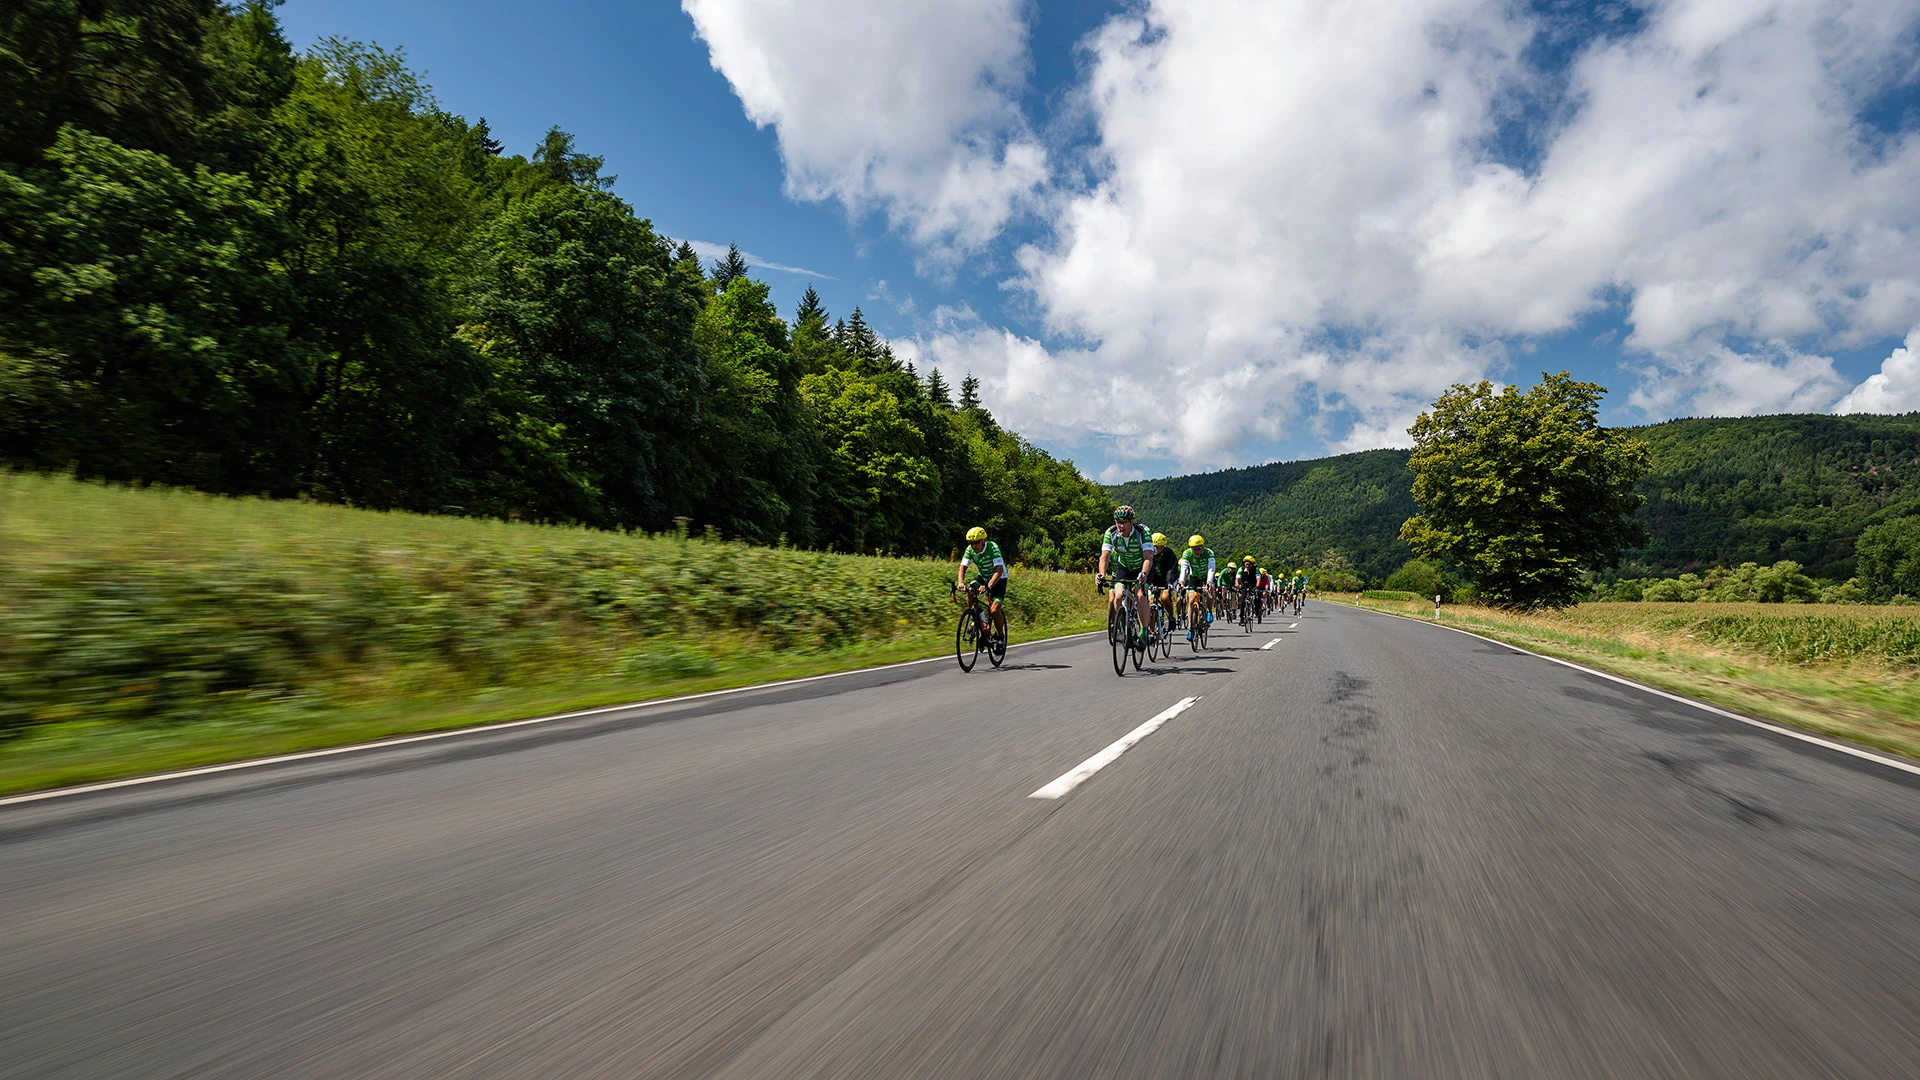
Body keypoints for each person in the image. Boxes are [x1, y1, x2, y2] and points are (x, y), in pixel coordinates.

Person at [1097, 506, 1155, 644]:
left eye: (1124, 522)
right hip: (1124, 566)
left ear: (1131, 522)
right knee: (1117, 596)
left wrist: (1144, 573)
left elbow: (1148, 557)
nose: (1120, 526)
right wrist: (1101, 574)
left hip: (1142, 567)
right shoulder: (1111, 533)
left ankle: (1144, 631)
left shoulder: (1142, 532)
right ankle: (1125, 629)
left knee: (1140, 595)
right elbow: (1104, 557)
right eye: (1118, 522)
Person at [956, 526, 1007, 642]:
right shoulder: (970, 549)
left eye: (976, 543)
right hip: (983, 576)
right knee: (970, 592)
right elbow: (962, 568)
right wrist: (960, 583)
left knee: (994, 610)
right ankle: (978, 617)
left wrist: (988, 586)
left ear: (983, 541)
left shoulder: (992, 547)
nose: (974, 546)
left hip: (999, 578)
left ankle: (1000, 636)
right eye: (971, 543)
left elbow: (999, 569)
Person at [1177, 535, 1216, 641]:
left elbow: (1211, 569)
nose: (1197, 551)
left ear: (1203, 547)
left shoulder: (1209, 553)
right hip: (1194, 577)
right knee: (1191, 599)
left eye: (1199, 549)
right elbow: (1184, 569)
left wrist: (1209, 581)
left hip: (1206, 576)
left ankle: (1208, 610)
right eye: (1194, 549)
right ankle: (1190, 628)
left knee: (1210, 590)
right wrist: (1181, 582)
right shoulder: (1187, 553)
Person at [1147, 533, 1181, 630]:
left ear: (1162, 547)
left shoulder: (1169, 553)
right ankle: (1151, 631)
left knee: (1165, 597)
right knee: (1151, 602)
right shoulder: (1148, 553)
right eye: (1154, 547)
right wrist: (1150, 583)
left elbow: (1171, 570)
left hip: (1167, 580)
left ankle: (1171, 617)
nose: (1155, 550)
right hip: (1153, 581)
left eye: (1158, 547)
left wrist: (1169, 583)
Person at [1234, 556, 1258, 621]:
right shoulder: (1241, 569)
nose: (1247, 566)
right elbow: (1237, 579)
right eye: (1246, 564)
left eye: (1249, 564)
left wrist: (1257, 587)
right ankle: (1241, 616)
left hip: (1253, 584)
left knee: (1257, 597)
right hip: (1244, 585)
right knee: (1242, 601)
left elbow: (1258, 579)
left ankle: (1257, 611)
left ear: (1252, 564)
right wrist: (1237, 586)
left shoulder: (1256, 569)